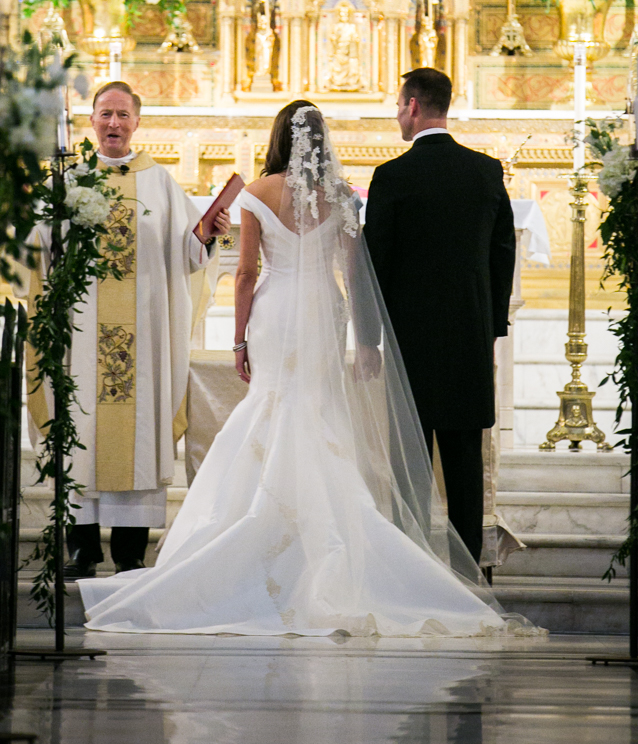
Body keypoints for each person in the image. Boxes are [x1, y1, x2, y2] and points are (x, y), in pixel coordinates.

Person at [77, 101, 528, 638]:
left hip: (275, 308)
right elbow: (355, 270)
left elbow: (244, 274)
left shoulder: (258, 192)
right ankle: (333, 542)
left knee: (271, 406)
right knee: (319, 408)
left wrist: (239, 337)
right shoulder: (340, 197)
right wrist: (366, 340)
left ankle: (255, 534)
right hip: (323, 308)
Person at [26, 81, 230, 578]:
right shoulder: (68, 182)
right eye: (105, 114)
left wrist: (209, 235)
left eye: (122, 114)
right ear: (90, 121)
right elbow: (38, 254)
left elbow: (189, 254)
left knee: (139, 434)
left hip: (142, 342)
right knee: (80, 432)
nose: (113, 123)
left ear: (137, 122)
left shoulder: (159, 183)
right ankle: (81, 548)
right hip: (80, 337)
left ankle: (130, 552)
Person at [364, 68, 516, 564]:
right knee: (465, 466)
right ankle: (469, 574)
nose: (397, 115)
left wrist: (369, 335)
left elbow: (374, 264)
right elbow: (502, 254)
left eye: (397, 105)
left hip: (408, 344)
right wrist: (491, 326)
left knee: (409, 467)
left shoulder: (391, 177)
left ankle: (409, 570)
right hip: (468, 340)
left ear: (412, 106)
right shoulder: (485, 171)